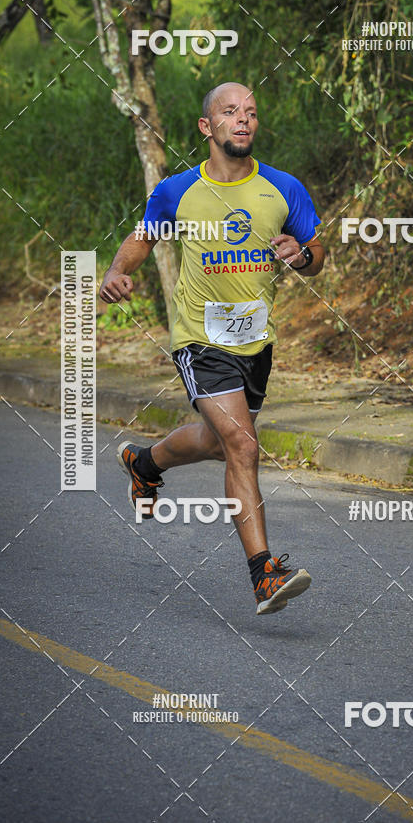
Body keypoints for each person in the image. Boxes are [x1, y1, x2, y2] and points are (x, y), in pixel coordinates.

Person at [99, 82, 325, 615]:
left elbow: (316, 252)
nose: (243, 120)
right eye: (230, 112)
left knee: (220, 441)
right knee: (243, 446)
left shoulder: (283, 188)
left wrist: (302, 255)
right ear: (208, 127)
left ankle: (145, 462)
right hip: (200, 338)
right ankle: (264, 574)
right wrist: (116, 270)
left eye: (250, 112)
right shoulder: (178, 190)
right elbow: (142, 237)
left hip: (255, 341)